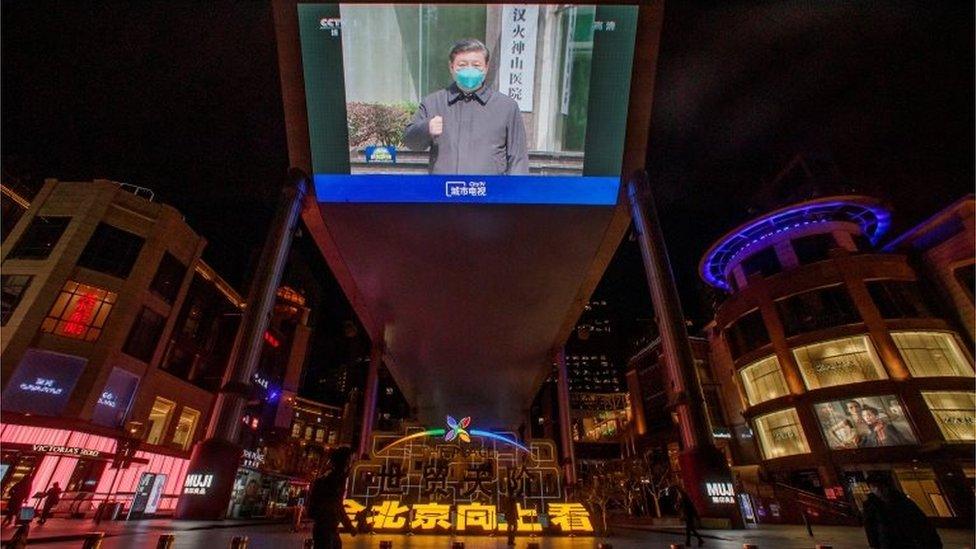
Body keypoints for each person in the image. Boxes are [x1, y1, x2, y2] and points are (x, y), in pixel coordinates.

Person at [403, 39, 530, 175]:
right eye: (462, 65)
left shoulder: (506, 107)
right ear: (451, 67)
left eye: (476, 65)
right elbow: (410, 141)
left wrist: (516, 193)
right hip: (444, 191)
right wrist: (426, 128)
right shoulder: (433, 103)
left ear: (486, 68)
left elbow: (518, 158)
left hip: (488, 193)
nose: (469, 70)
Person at [862, 472, 941, 548]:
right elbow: (870, 527)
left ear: (887, 486)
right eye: (874, 486)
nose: (878, 489)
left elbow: (921, 522)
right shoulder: (870, 506)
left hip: (908, 541)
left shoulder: (903, 501)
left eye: (880, 486)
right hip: (887, 543)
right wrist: (874, 544)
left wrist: (933, 542)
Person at [307, 447, 357, 549]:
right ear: (345, 461)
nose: (351, 465)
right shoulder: (336, 479)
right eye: (350, 460)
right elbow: (337, 505)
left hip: (326, 527)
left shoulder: (329, 476)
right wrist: (350, 527)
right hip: (327, 528)